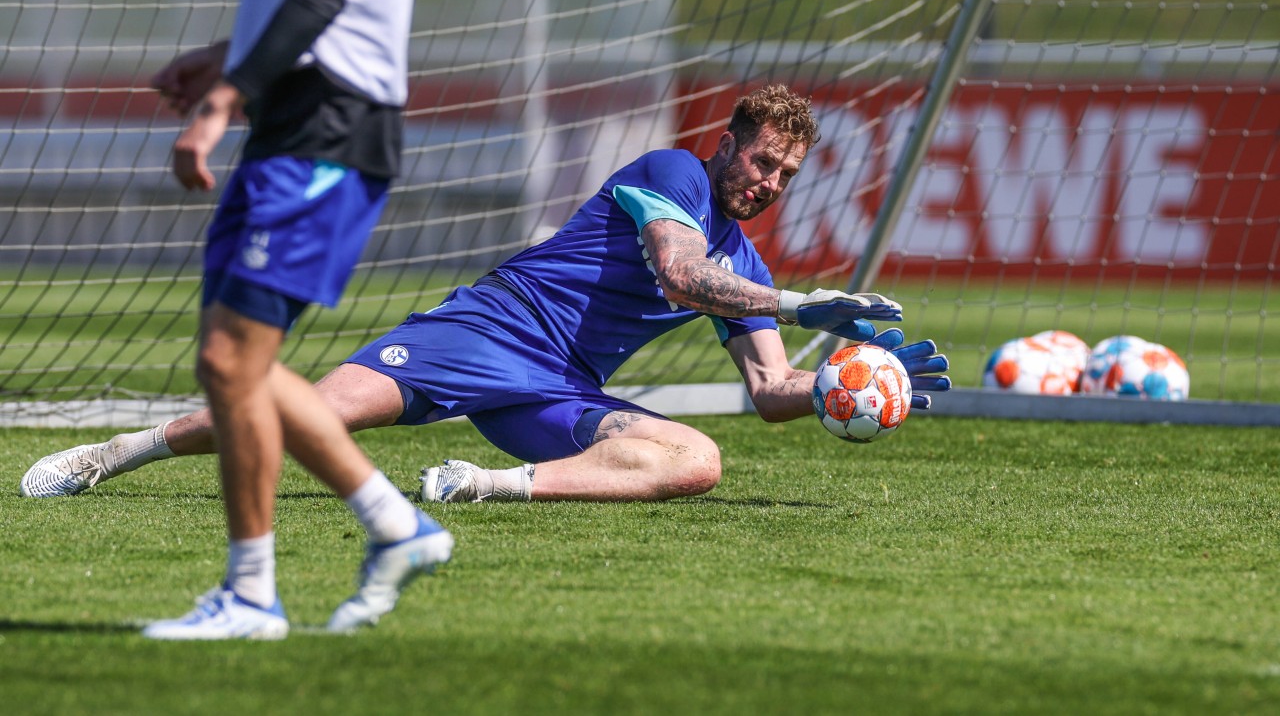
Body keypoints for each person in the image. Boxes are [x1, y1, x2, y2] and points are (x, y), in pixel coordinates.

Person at [23, 84, 951, 507]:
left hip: (558, 394)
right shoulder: (674, 172)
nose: (769, 180)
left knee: (697, 457)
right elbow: (677, 272)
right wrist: (794, 302)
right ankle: (120, 450)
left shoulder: (743, 256)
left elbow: (769, 392)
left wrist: (846, 377)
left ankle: (487, 485)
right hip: (490, 331)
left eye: (786, 173)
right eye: (762, 160)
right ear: (726, 146)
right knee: (310, 414)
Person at [122, 0, 450, 640]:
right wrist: (228, 57)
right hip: (296, 131)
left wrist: (221, 99)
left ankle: (252, 596)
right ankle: (394, 526)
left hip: (326, 134)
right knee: (236, 364)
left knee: (233, 362)